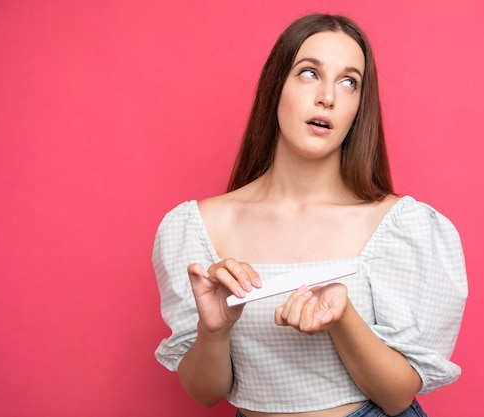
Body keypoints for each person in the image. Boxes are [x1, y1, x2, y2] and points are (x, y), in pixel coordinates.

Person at [153, 13, 467, 417]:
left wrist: (343, 317)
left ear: (358, 108)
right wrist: (214, 331)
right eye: (308, 73)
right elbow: (205, 392)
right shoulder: (197, 226)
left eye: (349, 82)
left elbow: (397, 396)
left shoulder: (399, 225)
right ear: (275, 87)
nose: (328, 97)